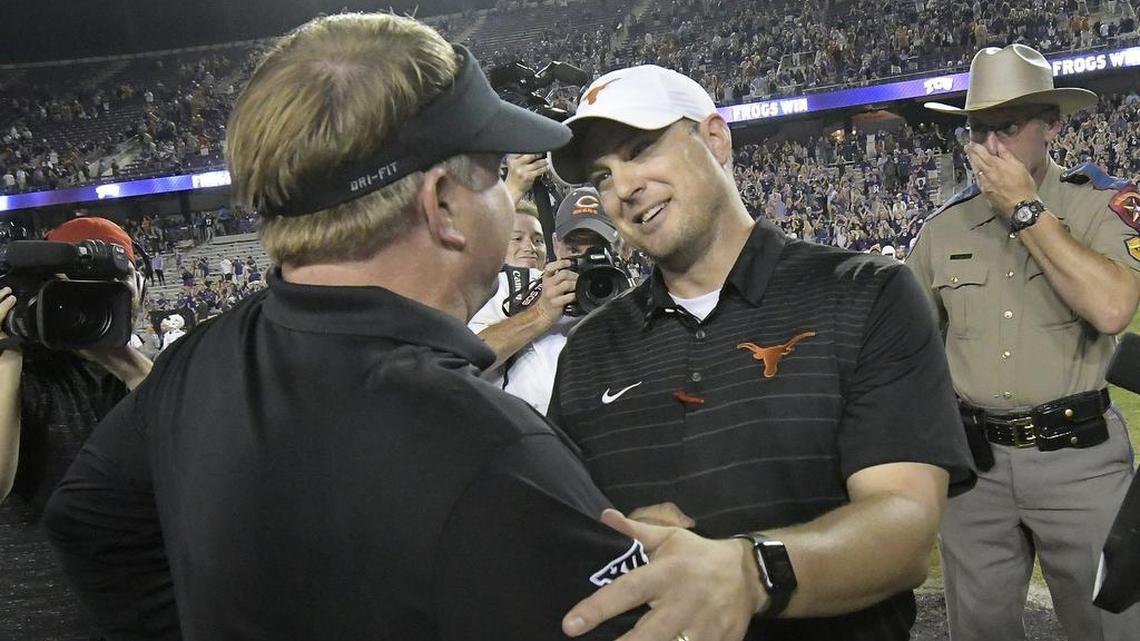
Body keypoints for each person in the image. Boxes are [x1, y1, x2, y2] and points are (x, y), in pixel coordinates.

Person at [42, 14, 647, 639]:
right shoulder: (495, 448)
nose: (504, 195)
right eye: (494, 174)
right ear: (442, 205)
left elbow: (88, 522)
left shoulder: (193, 364)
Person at [546, 63, 974, 641]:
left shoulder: (866, 294)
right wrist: (616, 543)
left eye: (641, 149)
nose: (622, 189)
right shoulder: (588, 349)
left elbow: (904, 529)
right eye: (601, 175)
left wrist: (749, 572)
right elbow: (561, 535)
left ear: (715, 140)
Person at [909, 44, 1140, 641]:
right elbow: (902, 346)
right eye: (978, 130)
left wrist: (1026, 210)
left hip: (1080, 464)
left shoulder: (1099, 205)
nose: (990, 148)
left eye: (1008, 127)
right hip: (976, 471)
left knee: (1109, 627)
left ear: (1050, 125)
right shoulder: (943, 228)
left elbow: (1112, 307)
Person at [0, 216, 154, 639]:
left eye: (110, 290)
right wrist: (8, 350)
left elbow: (197, 467)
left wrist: (133, 368)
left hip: (139, 619)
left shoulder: (143, 377)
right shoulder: (16, 374)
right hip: (38, 623)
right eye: (72, 291)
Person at [468, 187, 625, 414]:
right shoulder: (517, 286)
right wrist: (540, 313)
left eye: (598, 249)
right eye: (573, 249)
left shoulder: (634, 297)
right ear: (555, 244)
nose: (586, 259)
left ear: (619, 248)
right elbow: (465, 359)